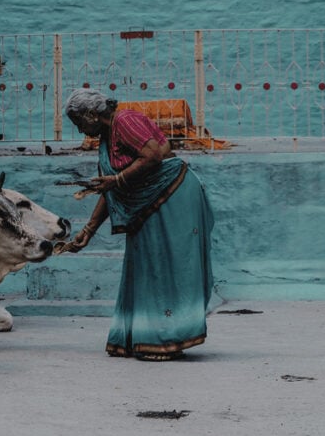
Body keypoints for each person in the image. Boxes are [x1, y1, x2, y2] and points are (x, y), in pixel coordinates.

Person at [61, 88, 214, 361]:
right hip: (146, 202)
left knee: (165, 266)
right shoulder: (106, 138)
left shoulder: (125, 120)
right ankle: (141, 335)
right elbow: (111, 191)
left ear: (91, 115)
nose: (80, 130)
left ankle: (167, 339)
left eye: (79, 123)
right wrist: (88, 230)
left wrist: (117, 181)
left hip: (172, 194)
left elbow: (153, 155)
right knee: (145, 265)